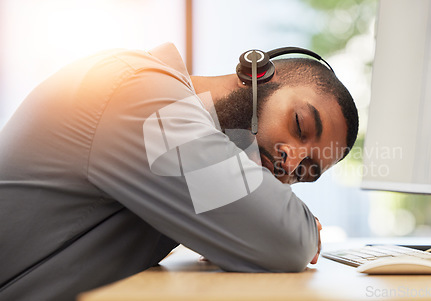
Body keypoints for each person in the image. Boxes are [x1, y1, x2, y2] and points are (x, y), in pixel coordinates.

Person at [0, 42, 358, 300]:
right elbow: (286, 241)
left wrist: (246, 225)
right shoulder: (142, 95)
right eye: (299, 125)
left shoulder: (188, 149)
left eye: (306, 172)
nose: (290, 164)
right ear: (258, 72)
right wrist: (303, 228)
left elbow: (261, 229)